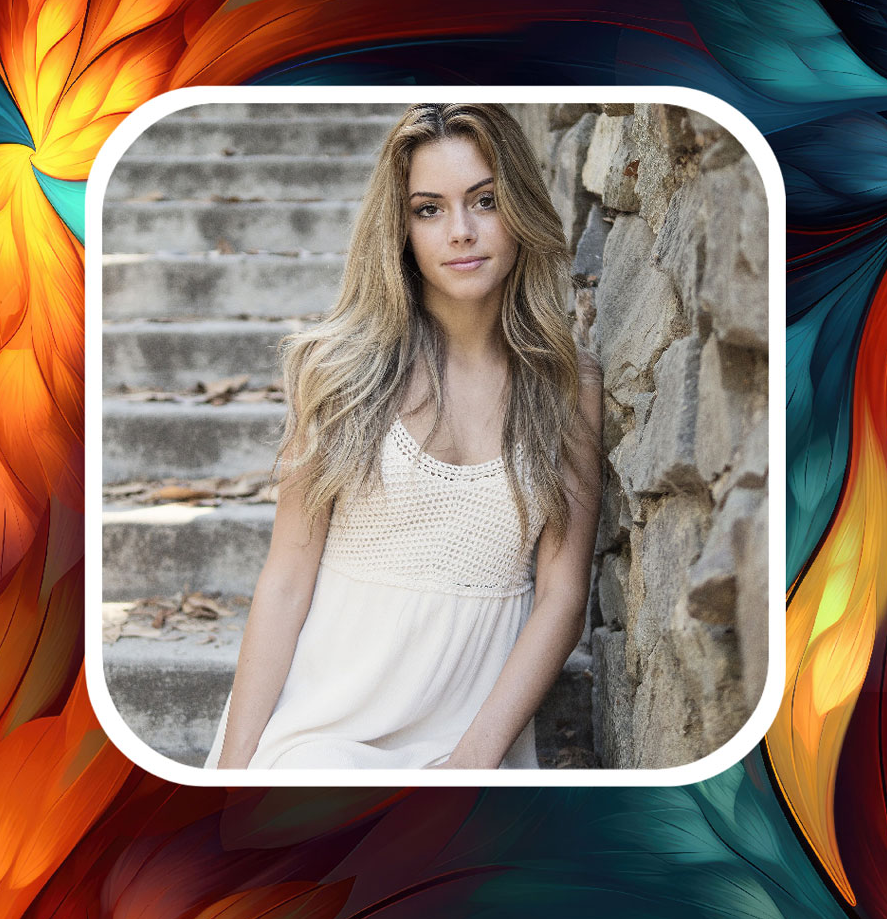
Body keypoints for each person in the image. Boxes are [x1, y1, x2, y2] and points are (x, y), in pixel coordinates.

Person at [205, 103, 602, 770]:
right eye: (429, 209)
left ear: (519, 209)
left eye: (484, 200)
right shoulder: (340, 371)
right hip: (321, 731)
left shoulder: (566, 384)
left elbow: (562, 599)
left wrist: (469, 763)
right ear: (401, 228)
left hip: (468, 743)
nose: (461, 232)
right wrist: (231, 772)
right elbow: (285, 580)